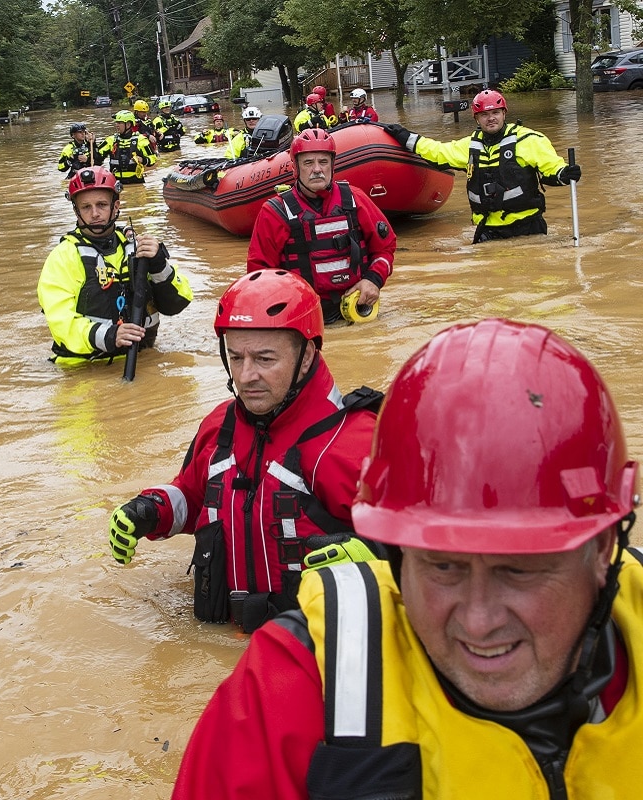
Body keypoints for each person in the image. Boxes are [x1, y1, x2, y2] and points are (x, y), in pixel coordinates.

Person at [170, 318, 643, 799]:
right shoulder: (291, 689)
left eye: (519, 570)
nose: (478, 623)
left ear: (604, 549)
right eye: (442, 566)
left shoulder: (339, 445)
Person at [107, 270, 381, 632]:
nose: (246, 375)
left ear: (307, 355)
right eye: (236, 358)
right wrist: (151, 510)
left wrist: (380, 557)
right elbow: (192, 496)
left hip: (307, 654)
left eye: (265, 359)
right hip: (217, 639)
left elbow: (431, 560)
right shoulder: (219, 425)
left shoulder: (356, 442)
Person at [37, 166, 191, 366]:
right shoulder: (63, 257)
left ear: (115, 206)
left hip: (143, 359)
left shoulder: (137, 247)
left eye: (101, 205)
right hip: (83, 368)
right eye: (86, 207)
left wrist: (159, 264)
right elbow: (61, 323)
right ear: (76, 210)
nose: (94, 214)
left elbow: (178, 302)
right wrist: (110, 335)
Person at [384, 89, 581, 243]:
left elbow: (551, 168)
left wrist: (564, 173)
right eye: (484, 114)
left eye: (495, 113)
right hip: (488, 230)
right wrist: (407, 137)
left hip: (527, 227)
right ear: (477, 118)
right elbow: (438, 152)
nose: (491, 118)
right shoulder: (469, 146)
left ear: (504, 114)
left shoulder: (529, 140)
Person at [247, 129, 395, 324]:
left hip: (356, 309)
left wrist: (373, 280)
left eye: (323, 162)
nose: (317, 169)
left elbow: (385, 248)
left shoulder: (354, 199)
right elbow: (259, 275)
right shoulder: (275, 212)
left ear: (332, 166)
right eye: (308, 163)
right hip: (303, 316)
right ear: (296, 168)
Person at [95, 110, 157, 184]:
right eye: (116, 122)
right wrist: (91, 143)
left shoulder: (141, 140)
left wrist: (143, 160)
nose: (116, 125)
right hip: (116, 182)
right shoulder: (111, 140)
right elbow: (97, 157)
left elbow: (153, 159)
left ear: (128, 124)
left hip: (136, 182)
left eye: (120, 123)